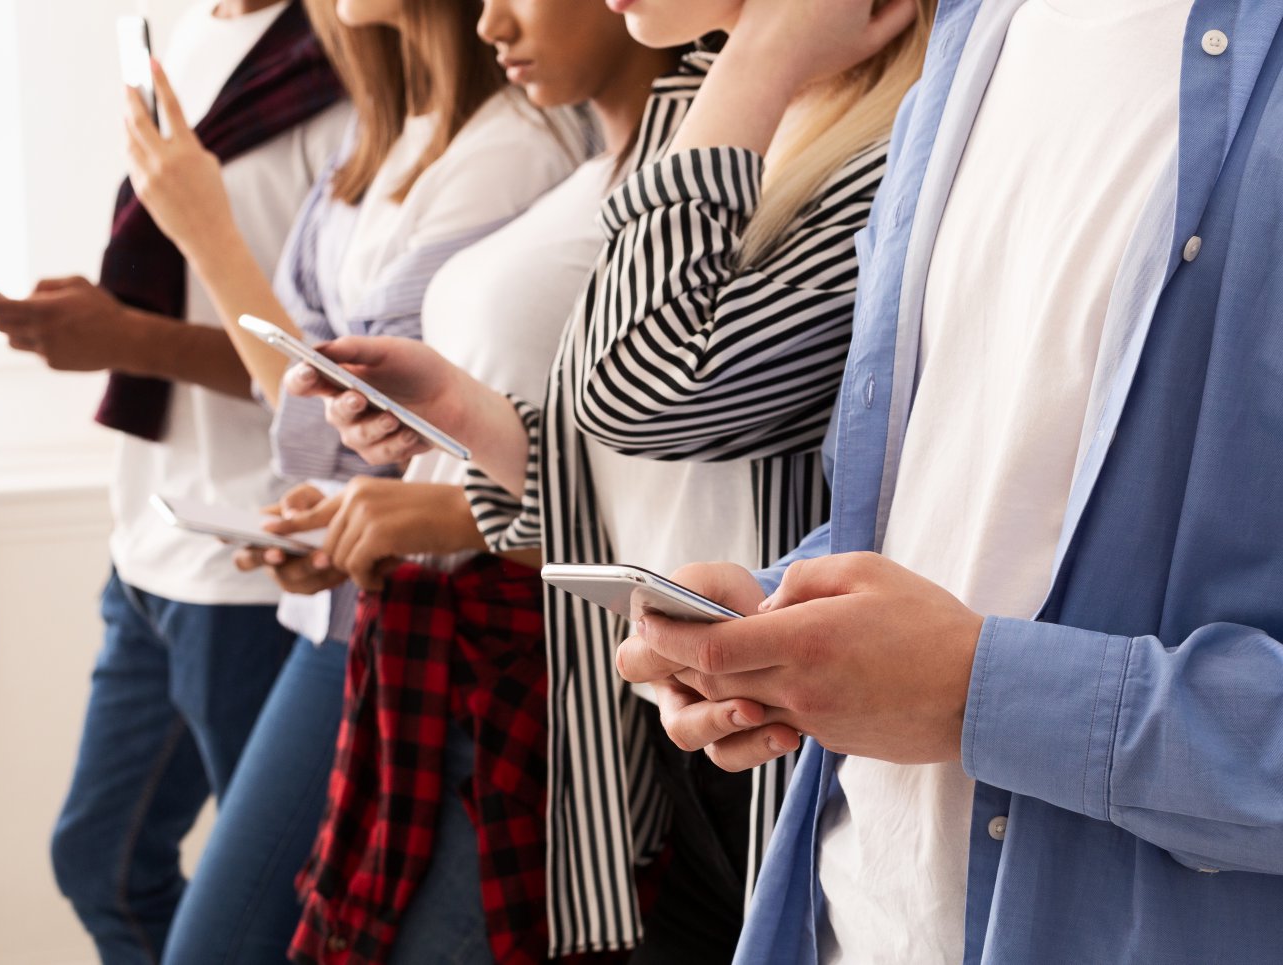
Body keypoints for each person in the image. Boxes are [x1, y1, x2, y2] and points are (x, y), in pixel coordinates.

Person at [616, 0, 1283, 963]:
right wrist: (781, 617)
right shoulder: (977, 38)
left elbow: (650, 383)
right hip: (843, 915)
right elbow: (941, 504)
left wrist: (981, 690)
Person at [294, 0, 930, 958]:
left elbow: (648, 387)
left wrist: (754, 57)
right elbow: (642, 456)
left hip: (789, 753)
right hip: (674, 732)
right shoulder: (727, 112)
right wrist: (471, 418)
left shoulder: (885, 139)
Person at [121, 0, 587, 959]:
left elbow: (337, 425)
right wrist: (333, 508)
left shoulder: (513, 151)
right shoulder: (380, 143)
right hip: (356, 612)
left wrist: (207, 232)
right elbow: (318, 418)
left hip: (436, 621)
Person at [219, 2, 677, 961]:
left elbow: (680, 492)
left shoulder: (602, 174)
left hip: (533, 663)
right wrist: (378, 509)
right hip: (444, 633)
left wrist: (437, 510)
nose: (490, 20)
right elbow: (522, 442)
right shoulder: (587, 175)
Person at [0, 4, 351, 962]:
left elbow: (331, 371)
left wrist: (128, 340)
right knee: (98, 858)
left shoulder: (342, 55)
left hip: (258, 558)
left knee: (268, 921)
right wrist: (106, 319)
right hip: (150, 538)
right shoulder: (180, 34)